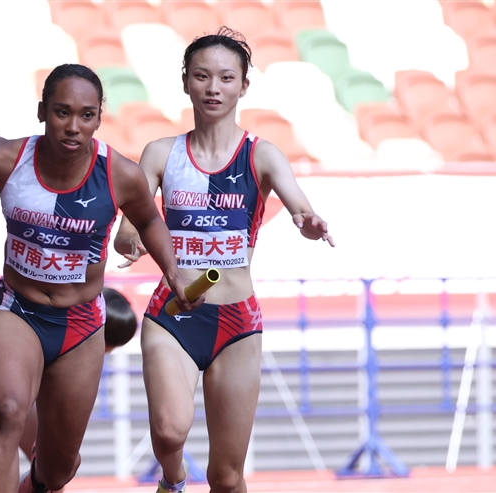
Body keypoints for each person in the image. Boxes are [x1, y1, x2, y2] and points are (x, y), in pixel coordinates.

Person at [0, 63, 201, 493]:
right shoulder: (5, 157)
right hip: (17, 310)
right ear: (42, 110)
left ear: (100, 117)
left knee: (58, 466)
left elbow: (150, 221)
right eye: (62, 112)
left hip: (81, 324)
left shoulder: (120, 174)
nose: (73, 126)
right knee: (7, 413)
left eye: (86, 115)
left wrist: (174, 271)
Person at [113, 28, 335, 493]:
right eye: (202, 76)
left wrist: (309, 221)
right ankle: (172, 477)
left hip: (237, 321)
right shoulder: (160, 154)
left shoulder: (262, 155)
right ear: (186, 83)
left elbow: (301, 207)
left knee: (227, 477)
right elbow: (128, 229)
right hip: (172, 314)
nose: (213, 87)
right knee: (170, 431)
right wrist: (130, 239)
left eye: (226, 78)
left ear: (243, 86)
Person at [0, 286, 139, 493]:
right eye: (109, 345)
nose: (108, 352)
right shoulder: (38, 326)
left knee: (52, 461)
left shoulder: (79, 354)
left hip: (19, 399)